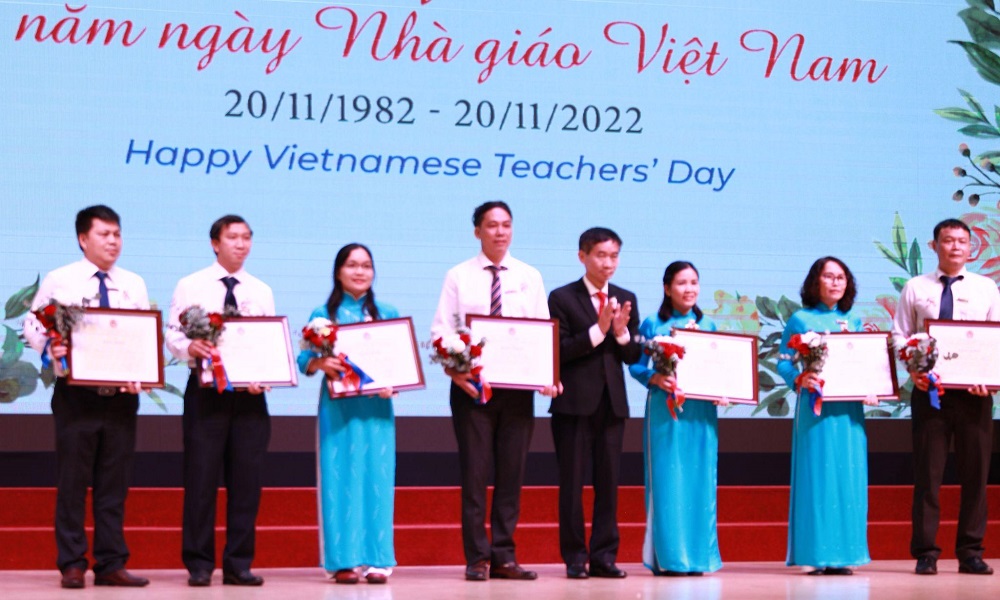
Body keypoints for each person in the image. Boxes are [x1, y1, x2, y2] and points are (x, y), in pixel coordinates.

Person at [23, 205, 151, 589]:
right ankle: (73, 563)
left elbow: (141, 334)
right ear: (83, 239)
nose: (113, 241)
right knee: (73, 482)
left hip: (122, 398)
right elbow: (34, 323)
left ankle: (111, 563)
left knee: (114, 484)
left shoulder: (134, 283)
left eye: (117, 234)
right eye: (104, 234)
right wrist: (51, 348)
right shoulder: (61, 280)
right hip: (76, 396)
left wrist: (141, 373)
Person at [430, 201, 557, 581]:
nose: (500, 232)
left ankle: (504, 555)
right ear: (477, 232)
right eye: (491, 226)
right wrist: (457, 367)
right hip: (473, 388)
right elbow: (442, 332)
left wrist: (547, 374)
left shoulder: (529, 276)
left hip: (517, 391)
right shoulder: (458, 276)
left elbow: (540, 331)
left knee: (511, 474)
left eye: (506, 225)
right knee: (474, 474)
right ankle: (477, 558)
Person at [165, 215, 275, 587]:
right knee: (200, 481)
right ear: (215, 243)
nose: (241, 244)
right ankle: (199, 563)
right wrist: (188, 346)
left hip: (249, 399)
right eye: (233, 238)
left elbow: (267, 342)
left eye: (247, 238)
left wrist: (268, 374)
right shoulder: (191, 284)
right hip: (205, 394)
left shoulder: (260, 289)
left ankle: (238, 563)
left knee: (247, 483)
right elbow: (172, 334)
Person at [892, 218, 999, 576]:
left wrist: (989, 379)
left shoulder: (987, 289)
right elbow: (900, 336)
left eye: (961, 241)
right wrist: (913, 371)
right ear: (934, 245)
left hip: (975, 397)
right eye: (948, 240)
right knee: (928, 475)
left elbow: (995, 341)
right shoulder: (915, 287)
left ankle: (970, 551)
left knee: (976, 476)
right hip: (930, 394)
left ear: (971, 248)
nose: (955, 247)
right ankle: (926, 552)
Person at [297, 244, 398, 584]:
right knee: (338, 478)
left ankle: (378, 559)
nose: (359, 272)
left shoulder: (386, 312)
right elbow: (302, 360)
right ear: (338, 271)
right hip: (338, 408)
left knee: (377, 477)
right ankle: (342, 560)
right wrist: (319, 362)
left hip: (377, 408)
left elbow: (400, 361)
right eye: (352, 265)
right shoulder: (322, 314)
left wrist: (394, 382)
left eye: (366, 265)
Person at [548, 227, 641, 579]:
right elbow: (559, 350)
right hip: (573, 404)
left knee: (609, 484)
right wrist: (599, 330)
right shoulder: (562, 298)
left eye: (614, 256)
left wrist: (619, 331)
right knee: (571, 484)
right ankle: (574, 557)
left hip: (612, 404)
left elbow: (633, 355)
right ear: (582, 256)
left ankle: (604, 556)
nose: (608, 263)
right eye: (601, 255)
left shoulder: (624, 296)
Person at [777, 256, 871, 575]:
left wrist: (874, 386)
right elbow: (783, 362)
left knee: (849, 477)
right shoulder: (800, 319)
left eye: (841, 277)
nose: (835, 282)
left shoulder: (854, 321)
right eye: (828, 276)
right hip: (814, 409)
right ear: (815, 281)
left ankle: (845, 556)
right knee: (816, 477)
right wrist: (798, 379)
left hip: (848, 410)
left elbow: (866, 364)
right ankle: (816, 554)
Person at [628, 261, 723, 576]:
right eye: (682, 283)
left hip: (701, 413)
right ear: (667, 288)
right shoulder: (652, 324)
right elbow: (636, 367)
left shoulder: (709, 326)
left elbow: (721, 370)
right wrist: (655, 378)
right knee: (668, 482)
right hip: (665, 414)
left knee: (700, 482)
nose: (689, 289)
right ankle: (669, 559)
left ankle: (699, 558)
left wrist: (724, 390)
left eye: (694, 282)